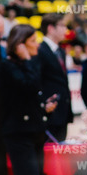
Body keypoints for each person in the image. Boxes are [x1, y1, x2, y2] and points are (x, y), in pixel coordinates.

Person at [0, 24, 59, 175]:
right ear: (20, 44)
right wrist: (28, 60)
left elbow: (28, 97)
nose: (37, 45)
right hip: (19, 136)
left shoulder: (23, 66)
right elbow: (28, 86)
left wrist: (44, 109)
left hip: (33, 134)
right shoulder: (7, 66)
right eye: (33, 41)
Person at [37, 13, 73, 142]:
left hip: (63, 110)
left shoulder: (61, 51)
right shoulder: (39, 50)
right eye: (62, 26)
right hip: (49, 112)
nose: (66, 30)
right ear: (51, 28)